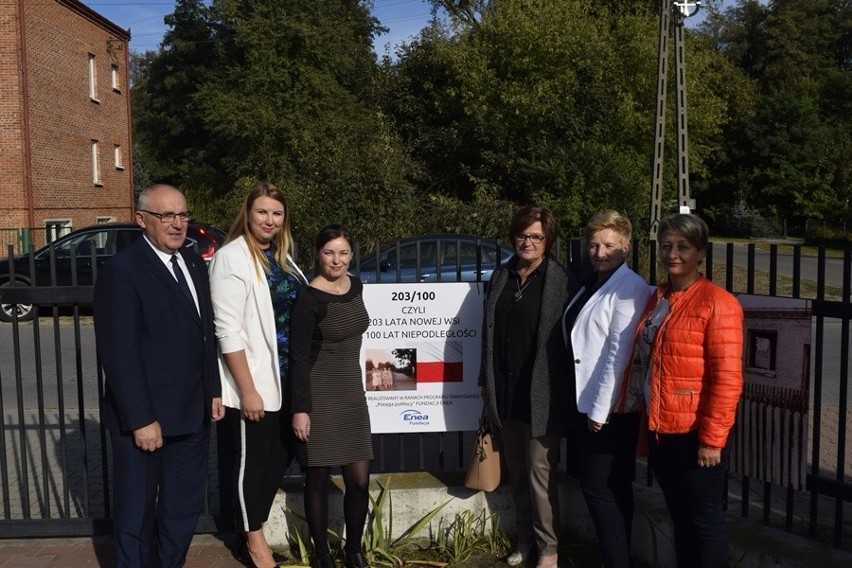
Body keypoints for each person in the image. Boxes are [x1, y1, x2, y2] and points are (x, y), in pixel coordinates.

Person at [94, 184, 224, 567]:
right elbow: (120, 355)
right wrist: (140, 419)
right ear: (141, 220)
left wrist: (212, 390)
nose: (177, 223)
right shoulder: (122, 271)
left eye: (183, 214)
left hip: (193, 412)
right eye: (166, 215)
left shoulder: (194, 262)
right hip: (146, 420)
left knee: (181, 508)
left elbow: (206, 332)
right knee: (136, 513)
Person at [631, 213, 743, 568]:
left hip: (695, 434)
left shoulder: (717, 303)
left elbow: (727, 378)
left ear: (701, 253)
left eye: (683, 246)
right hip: (662, 429)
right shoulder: (659, 298)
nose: (672, 254)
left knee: (704, 521)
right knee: (679, 516)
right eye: (666, 246)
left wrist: (712, 440)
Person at [209, 184, 307, 568]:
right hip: (254, 385)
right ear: (248, 213)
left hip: (286, 380)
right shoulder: (231, 258)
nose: (269, 220)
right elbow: (227, 331)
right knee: (253, 465)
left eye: (277, 214)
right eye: (262, 212)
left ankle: (252, 526)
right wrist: (247, 390)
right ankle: (253, 542)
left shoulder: (282, 257)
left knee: (280, 458)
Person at [479, 205, 578, 568]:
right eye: (523, 235)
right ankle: (524, 540)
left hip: (541, 395)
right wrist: (484, 383)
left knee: (540, 474)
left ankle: (548, 549)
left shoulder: (562, 282)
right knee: (518, 473)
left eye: (536, 236)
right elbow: (487, 333)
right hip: (504, 391)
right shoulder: (501, 276)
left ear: (548, 240)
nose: (528, 242)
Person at [562, 210, 651, 568]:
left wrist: (600, 413)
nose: (600, 251)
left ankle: (616, 560)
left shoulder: (630, 288)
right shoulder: (593, 282)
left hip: (608, 410)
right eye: (595, 244)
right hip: (588, 403)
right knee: (611, 488)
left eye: (609, 245)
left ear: (626, 247)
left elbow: (619, 354)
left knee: (599, 489)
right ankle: (616, 557)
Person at [290, 225, 373, 568]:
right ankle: (322, 554)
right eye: (329, 252)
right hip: (318, 394)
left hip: (352, 393)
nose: (336, 260)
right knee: (318, 479)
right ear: (317, 254)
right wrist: (301, 410)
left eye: (343, 252)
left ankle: (354, 550)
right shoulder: (309, 298)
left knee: (359, 480)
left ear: (352, 255)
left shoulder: (356, 285)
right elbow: (297, 357)